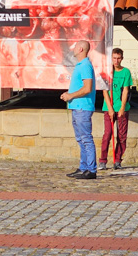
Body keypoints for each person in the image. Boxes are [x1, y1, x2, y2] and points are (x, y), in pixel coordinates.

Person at [60, 40, 97, 180]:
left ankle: (91, 170)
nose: (73, 48)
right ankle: (83, 168)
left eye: (75, 46)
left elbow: (87, 88)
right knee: (81, 139)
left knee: (86, 139)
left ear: (81, 49)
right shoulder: (80, 65)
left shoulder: (86, 65)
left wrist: (71, 95)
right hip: (76, 107)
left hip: (83, 107)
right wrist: (68, 96)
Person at [99, 48, 132, 170]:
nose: (116, 61)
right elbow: (105, 91)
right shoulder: (107, 72)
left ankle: (118, 160)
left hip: (122, 108)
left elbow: (126, 91)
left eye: (118, 58)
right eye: (114, 58)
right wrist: (110, 109)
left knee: (122, 136)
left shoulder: (126, 72)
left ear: (122, 58)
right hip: (109, 108)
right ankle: (102, 160)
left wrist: (122, 108)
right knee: (107, 134)